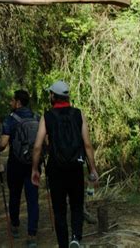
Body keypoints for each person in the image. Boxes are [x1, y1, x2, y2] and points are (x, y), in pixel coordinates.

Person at [31, 81, 98, 248]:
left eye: (50, 94)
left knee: (59, 209)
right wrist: (92, 169)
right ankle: (75, 237)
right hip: (76, 167)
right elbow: (87, 144)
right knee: (76, 205)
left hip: (56, 169)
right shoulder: (78, 114)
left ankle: (63, 244)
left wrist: (35, 169)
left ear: (54, 96)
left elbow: (38, 146)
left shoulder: (47, 116)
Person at [0, 90, 39, 248]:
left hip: (15, 164)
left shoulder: (10, 119)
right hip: (33, 165)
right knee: (33, 200)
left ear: (18, 102)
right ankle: (32, 235)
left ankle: (15, 226)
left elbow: (3, 144)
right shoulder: (37, 117)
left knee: (14, 195)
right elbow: (46, 141)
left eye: (12, 100)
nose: (10, 103)